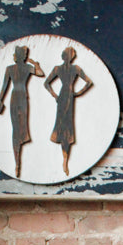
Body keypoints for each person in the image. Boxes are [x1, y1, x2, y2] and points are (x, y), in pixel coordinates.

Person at [44, 46, 93, 176]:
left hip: (67, 97)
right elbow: (46, 83)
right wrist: (55, 95)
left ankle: (65, 159)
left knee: (67, 126)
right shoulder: (63, 68)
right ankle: (64, 158)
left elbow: (89, 82)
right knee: (63, 125)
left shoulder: (72, 68)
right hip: (66, 96)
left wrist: (78, 93)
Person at [0, 45, 44, 178]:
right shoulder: (24, 68)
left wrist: (0, 100)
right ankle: (17, 163)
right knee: (18, 129)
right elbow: (40, 72)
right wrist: (35, 64)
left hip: (16, 98)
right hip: (21, 97)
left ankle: (17, 162)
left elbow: (4, 86)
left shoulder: (11, 68)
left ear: (17, 56)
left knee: (18, 129)